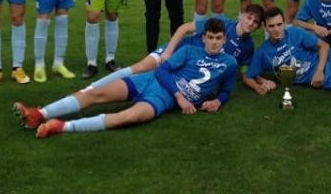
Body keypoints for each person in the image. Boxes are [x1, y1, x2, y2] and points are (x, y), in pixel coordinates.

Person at [12, 18, 238, 138]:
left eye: (218, 38)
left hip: (162, 99)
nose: (214, 42)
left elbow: (227, 89)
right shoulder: (189, 50)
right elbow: (162, 71)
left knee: (130, 116)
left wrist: (218, 101)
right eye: (210, 37)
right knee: (97, 93)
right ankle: (39, 114)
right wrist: (180, 96)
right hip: (152, 81)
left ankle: (61, 126)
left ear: (224, 39)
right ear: (203, 38)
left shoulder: (230, 63)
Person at [85, 3, 266, 91]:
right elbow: (184, 28)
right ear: (242, 15)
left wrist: (259, 81)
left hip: (191, 67)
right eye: (249, 17)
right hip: (179, 50)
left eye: (255, 22)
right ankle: (90, 89)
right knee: (140, 68)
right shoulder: (222, 23)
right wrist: (168, 52)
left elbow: (244, 71)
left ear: (258, 27)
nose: (250, 23)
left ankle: (102, 92)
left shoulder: (248, 46)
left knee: (147, 80)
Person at [243, 7, 331, 95]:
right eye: (271, 26)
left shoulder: (295, 32)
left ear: (284, 23)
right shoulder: (263, 52)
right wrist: (257, 87)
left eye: (279, 24)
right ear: (265, 27)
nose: (276, 29)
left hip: (327, 65)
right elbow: (247, 76)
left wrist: (319, 71)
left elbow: (324, 45)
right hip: (319, 79)